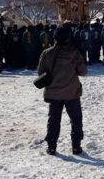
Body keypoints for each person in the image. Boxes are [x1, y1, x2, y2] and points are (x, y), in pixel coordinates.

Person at [37, 26, 87, 155]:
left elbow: (40, 72)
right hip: (72, 92)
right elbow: (83, 72)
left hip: (53, 93)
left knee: (53, 120)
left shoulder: (47, 53)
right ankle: (76, 146)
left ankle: (51, 146)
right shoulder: (74, 53)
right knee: (76, 119)